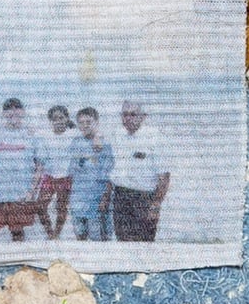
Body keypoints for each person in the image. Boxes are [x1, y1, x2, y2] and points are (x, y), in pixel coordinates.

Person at [0, 98, 43, 242]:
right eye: (9, 109)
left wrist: (31, 192)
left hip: (21, 194)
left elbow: (39, 167)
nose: (13, 112)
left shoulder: (32, 136)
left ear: (23, 112)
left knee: (18, 233)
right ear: (3, 113)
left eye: (17, 109)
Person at [110, 99, 170, 242]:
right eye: (125, 114)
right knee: (122, 242)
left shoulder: (154, 138)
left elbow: (164, 177)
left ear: (143, 117)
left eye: (133, 114)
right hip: (121, 196)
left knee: (144, 245)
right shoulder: (117, 136)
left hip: (144, 199)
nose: (128, 118)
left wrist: (156, 205)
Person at [68, 108, 114, 241]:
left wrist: (105, 198)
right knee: (80, 237)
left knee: (98, 240)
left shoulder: (104, 144)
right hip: (77, 201)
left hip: (96, 201)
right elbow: (72, 171)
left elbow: (110, 175)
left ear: (97, 122)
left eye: (89, 122)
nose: (85, 125)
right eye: (81, 122)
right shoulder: (75, 142)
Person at [35, 105, 74, 239]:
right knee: (40, 206)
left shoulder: (73, 135)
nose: (58, 121)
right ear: (51, 121)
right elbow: (40, 159)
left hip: (66, 177)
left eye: (61, 118)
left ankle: (57, 233)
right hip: (49, 177)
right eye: (54, 119)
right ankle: (50, 233)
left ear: (67, 118)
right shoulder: (45, 136)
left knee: (61, 207)